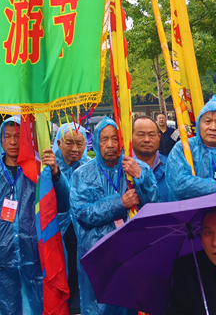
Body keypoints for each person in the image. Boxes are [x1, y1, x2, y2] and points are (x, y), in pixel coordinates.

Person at [0, 116, 69, 315]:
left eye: (18, 136)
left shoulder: (39, 169)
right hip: (2, 260)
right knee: (8, 307)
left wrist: (55, 173)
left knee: (39, 307)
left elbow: (63, 204)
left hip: (35, 256)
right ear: (0, 140)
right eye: (7, 136)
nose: (12, 142)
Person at [71, 117, 159, 315]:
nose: (110, 144)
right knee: (98, 308)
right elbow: (82, 213)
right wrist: (120, 203)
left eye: (114, 138)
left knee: (132, 305)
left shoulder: (136, 168)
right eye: (104, 139)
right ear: (96, 141)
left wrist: (141, 178)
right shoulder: (82, 174)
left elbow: (154, 207)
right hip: (97, 258)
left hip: (132, 254)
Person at [53, 122, 91, 314]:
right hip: (56, 234)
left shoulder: (90, 168)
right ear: (59, 143)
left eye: (79, 143)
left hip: (83, 233)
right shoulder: (48, 168)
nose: (75, 148)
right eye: (69, 142)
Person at [132, 115, 169, 201]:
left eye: (151, 135)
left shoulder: (171, 166)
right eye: (141, 135)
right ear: (130, 137)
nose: (147, 139)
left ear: (159, 137)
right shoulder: (121, 167)